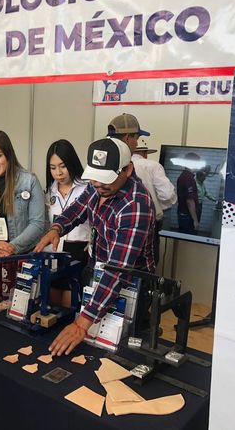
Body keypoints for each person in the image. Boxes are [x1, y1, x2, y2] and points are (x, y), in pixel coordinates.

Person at [34, 137, 155, 356]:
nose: (98, 185)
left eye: (105, 180)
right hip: (98, 275)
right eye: (95, 179)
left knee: (122, 353)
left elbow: (118, 271)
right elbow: (76, 208)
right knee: (91, 350)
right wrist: (57, 229)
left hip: (129, 288)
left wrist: (83, 323)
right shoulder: (97, 187)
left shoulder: (136, 205)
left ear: (127, 170)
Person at [0, 130, 45, 257]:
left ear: (8, 155)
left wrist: (11, 247)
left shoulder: (29, 181)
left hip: (22, 254)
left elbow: (37, 224)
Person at [45, 139, 89, 306]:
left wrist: (94, 240)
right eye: (53, 167)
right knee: (53, 304)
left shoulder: (87, 187)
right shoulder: (49, 191)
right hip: (55, 251)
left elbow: (98, 219)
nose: (58, 173)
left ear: (72, 162)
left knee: (72, 304)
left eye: (63, 166)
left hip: (79, 250)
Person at [132, 139, 176, 264]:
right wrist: (158, 205)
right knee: (146, 263)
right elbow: (167, 194)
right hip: (149, 225)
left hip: (120, 222)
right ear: (145, 153)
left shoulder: (120, 165)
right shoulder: (153, 166)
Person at [177, 152, 202, 235]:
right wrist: (195, 220)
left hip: (185, 214)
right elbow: (189, 201)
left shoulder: (186, 176)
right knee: (187, 238)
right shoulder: (187, 178)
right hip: (187, 217)